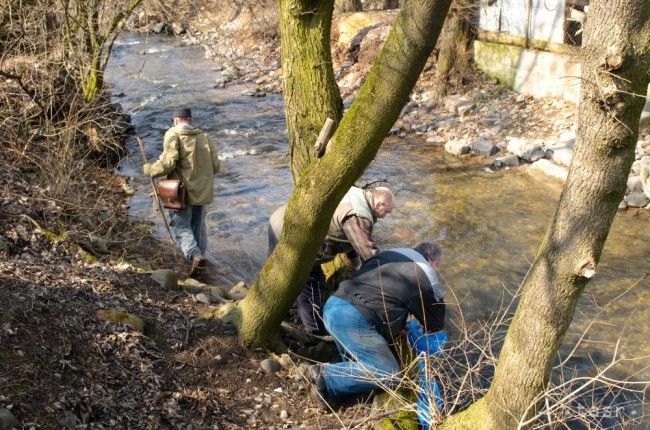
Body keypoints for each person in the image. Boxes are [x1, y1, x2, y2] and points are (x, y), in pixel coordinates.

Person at [307, 242, 445, 406]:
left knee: (361, 365)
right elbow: (436, 322)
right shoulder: (426, 272)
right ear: (434, 263)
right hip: (353, 320)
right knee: (390, 374)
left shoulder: (392, 253)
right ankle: (325, 377)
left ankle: (342, 391)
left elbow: (380, 294)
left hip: (333, 306)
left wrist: (399, 326)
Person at [267, 186, 396, 335]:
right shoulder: (357, 215)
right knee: (311, 282)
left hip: (281, 219)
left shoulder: (357, 194)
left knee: (277, 274)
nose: (384, 216)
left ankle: (279, 310)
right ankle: (314, 332)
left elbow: (351, 240)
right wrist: (388, 280)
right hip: (292, 234)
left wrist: (356, 267)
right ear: (379, 203)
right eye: (386, 211)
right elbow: (368, 251)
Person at [143, 108, 220, 276]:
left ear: (176, 120)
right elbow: (216, 166)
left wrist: (150, 170)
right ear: (190, 120)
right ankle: (200, 263)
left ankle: (194, 255)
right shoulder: (205, 136)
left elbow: (168, 163)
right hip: (202, 191)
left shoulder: (173, 134)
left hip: (181, 191)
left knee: (180, 226)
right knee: (198, 227)